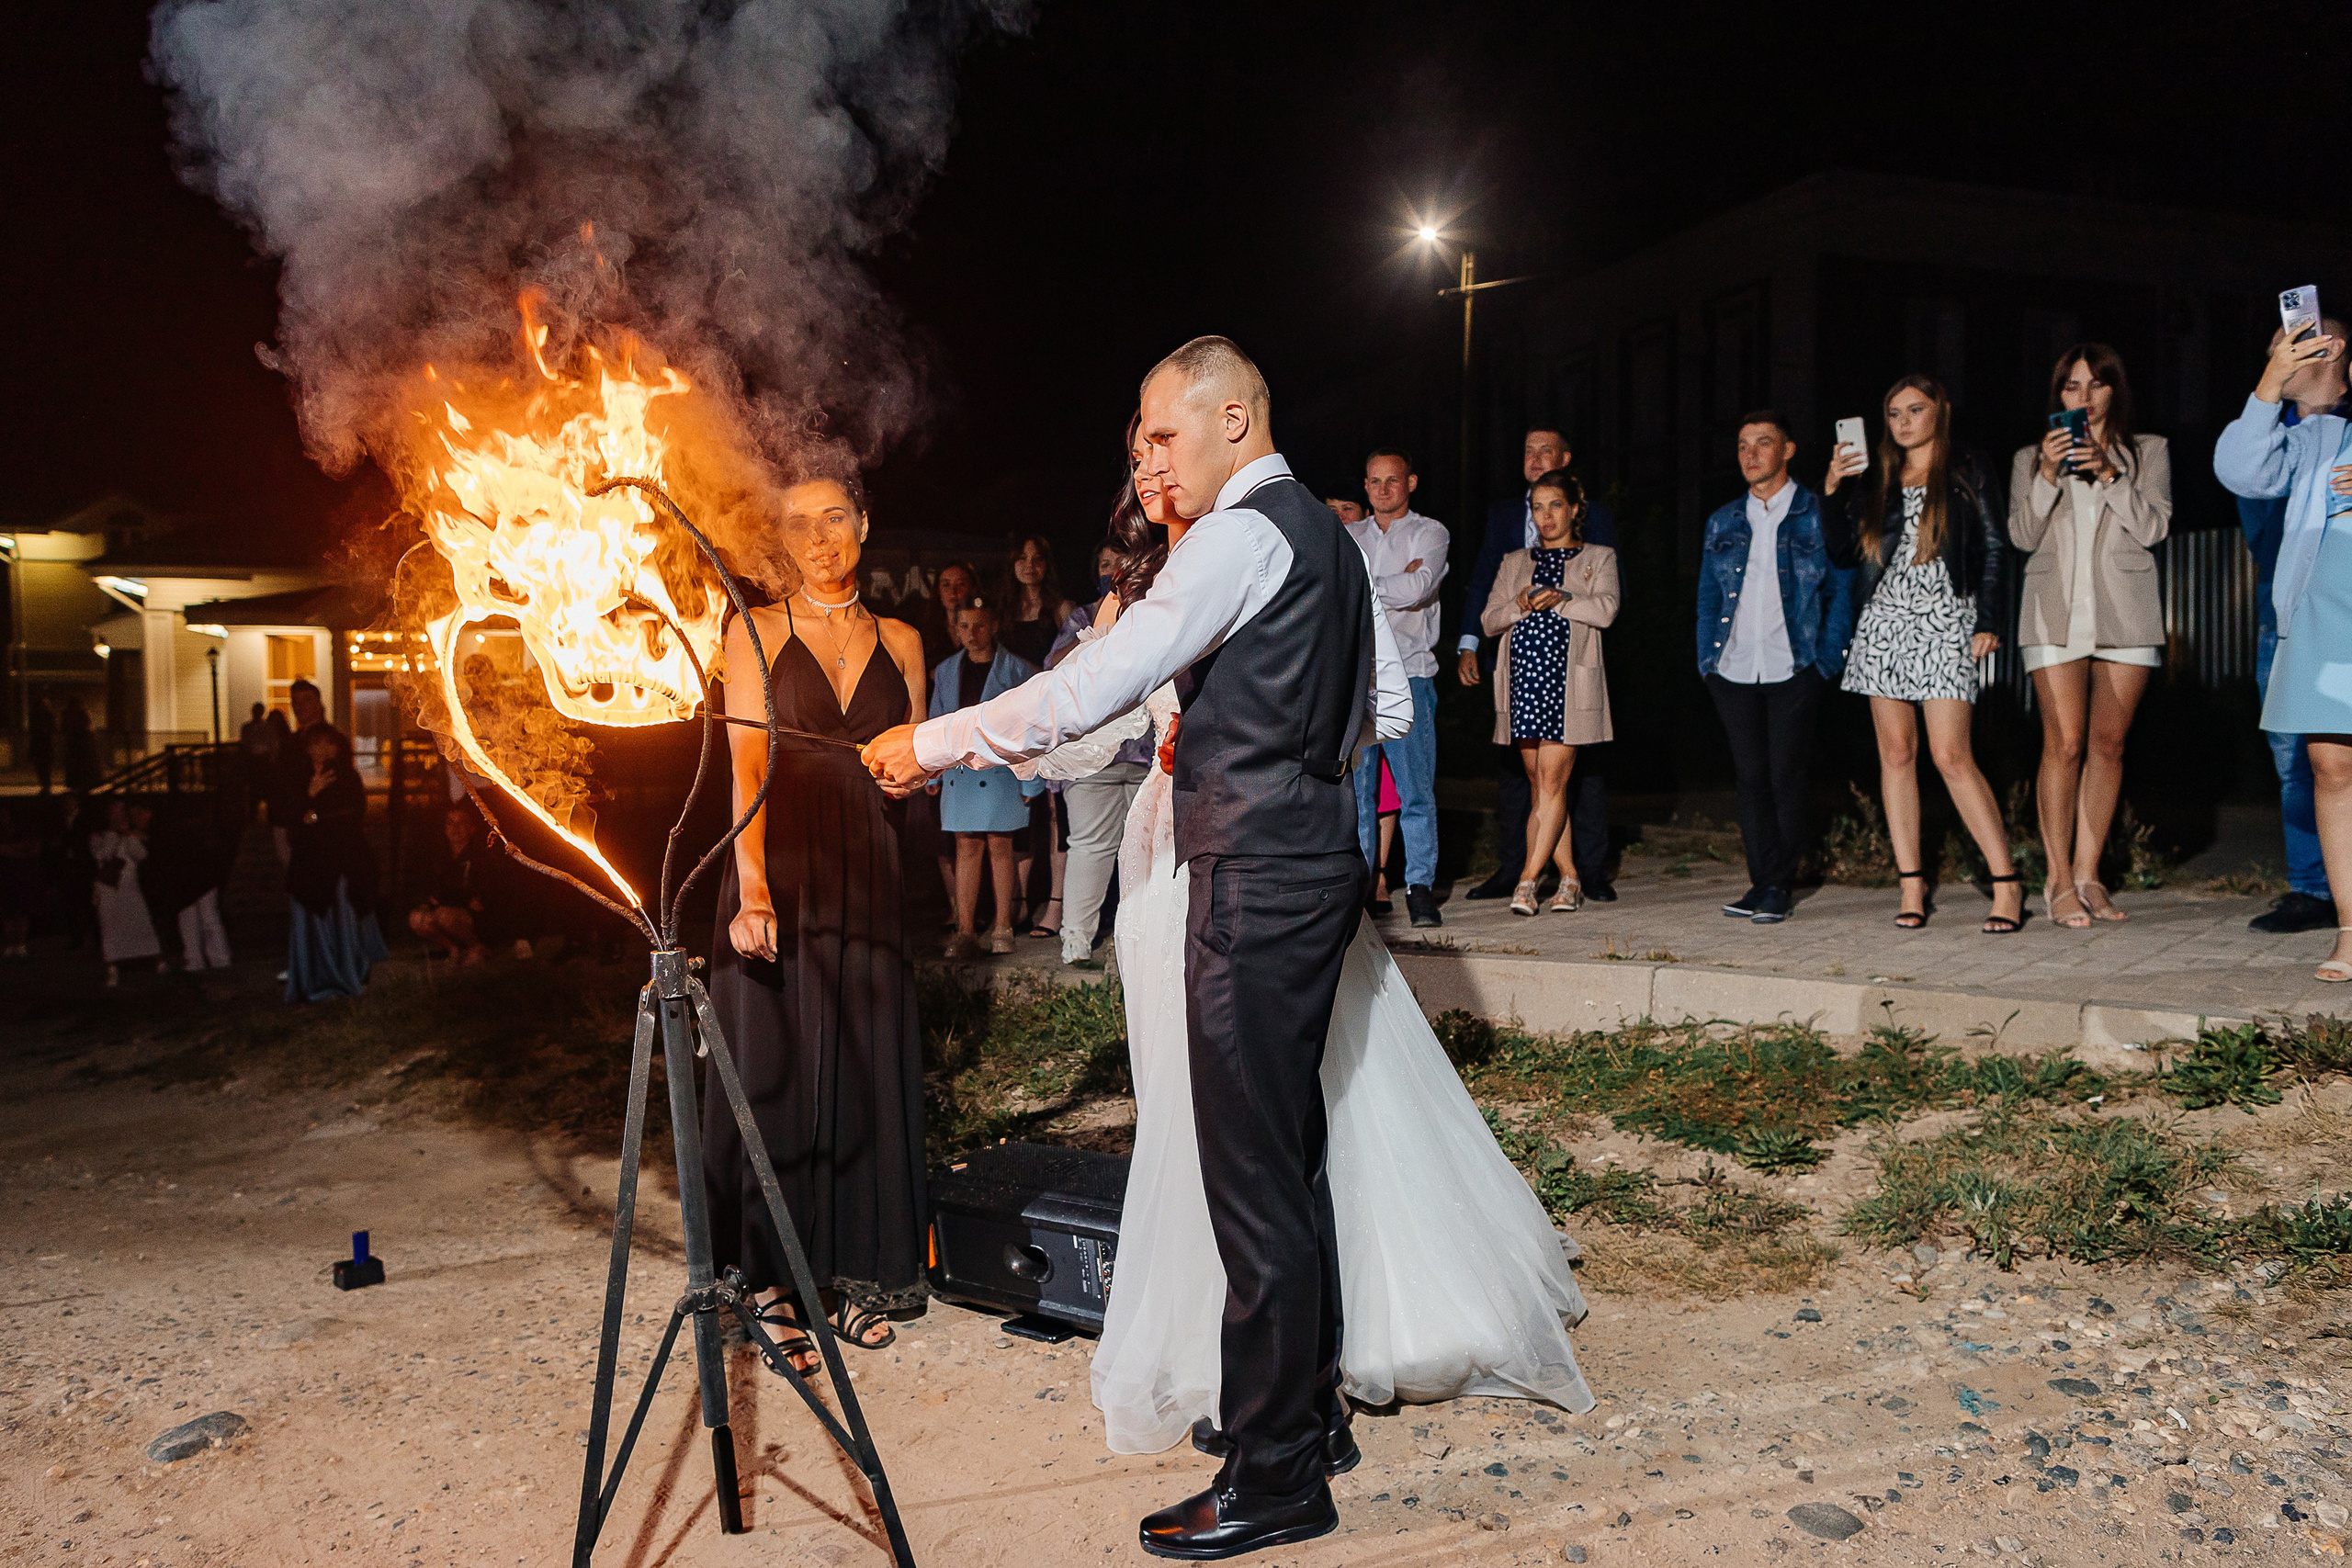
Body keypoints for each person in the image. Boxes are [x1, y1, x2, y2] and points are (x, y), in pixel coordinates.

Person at [872, 337, 1464, 1557]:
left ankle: (1275, 1476)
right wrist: (1298, 767)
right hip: (1302, 859)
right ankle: (1305, 1418)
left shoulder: (1243, 534)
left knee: (1250, 1178)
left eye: (1160, 431)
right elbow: (1381, 707)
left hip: (1255, 876)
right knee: (1287, 1160)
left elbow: (1103, 681)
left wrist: (932, 743)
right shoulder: (1319, 537)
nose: (1145, 454)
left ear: (1234, 415)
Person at [705, 470, 931, 1364]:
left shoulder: (906, 641)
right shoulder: (752, 632)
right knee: (781, 1076)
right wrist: (752, 888)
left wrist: (919, 771)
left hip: (868, 866)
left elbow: (918, 756)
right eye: (800, 526)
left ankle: (840, 1277)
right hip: (783, 864)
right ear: (781, 543)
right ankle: (769, 1284)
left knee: (861, 1068)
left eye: (835, 518)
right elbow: (746, 766)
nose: (820, 538)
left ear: (863, 527)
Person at [1826, 376, 2024, 933]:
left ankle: (2006, 884)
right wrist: (1836, 488)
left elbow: (1993, 545)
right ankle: (1911, 885)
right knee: (1895, 756)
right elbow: (1843, 554)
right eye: (1894, 413)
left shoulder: (1968, 467)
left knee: (1951, 756)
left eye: (1916, 409)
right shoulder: (1878, 476)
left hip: (1945, 617)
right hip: (1883, 620)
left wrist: (1989, 620)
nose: (1905, 421)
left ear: (1941, 410)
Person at [2008, 344, 2172, 928]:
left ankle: (2088, 873)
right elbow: (2023, 536)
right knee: (2064, 744)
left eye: (2095, 386)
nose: (2083, 397)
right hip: (2053, 613)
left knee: (2108, 745)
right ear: (2059, 396)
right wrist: (2048, 475)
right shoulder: (2031, 456)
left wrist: (2109, 471)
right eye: (2071, 387)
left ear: (2113, 392)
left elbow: (2153, 526)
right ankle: (2055, 879)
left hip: (2125, 613)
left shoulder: (2148, 451)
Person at [2216, 321, 2352, 981]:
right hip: (2318, 614)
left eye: (2316, 345)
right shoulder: (2309, 437)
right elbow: (2241, 469)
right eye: (2288, 345)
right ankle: (2338, 916)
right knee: (2321, 765)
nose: (2301, 353)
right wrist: (2272, 378)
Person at [1698, 412, 1857, 924]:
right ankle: (1761, 881)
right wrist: (1708, 661)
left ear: (1787, 450)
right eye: (1743, 444)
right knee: (1750, 779)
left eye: (1763, 443)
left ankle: (1779, 886)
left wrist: (1826, 662)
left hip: (1795, 665)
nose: (1750, 454)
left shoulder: (1816, 510)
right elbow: (1707, 596)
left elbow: (1841, 585)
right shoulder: (1723, 519)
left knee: (1786, 777)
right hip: (1734, 667)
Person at [1459, 427, 1620, 903]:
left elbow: (1607, 610)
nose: (1545, 516)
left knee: (1553, 781)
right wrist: (1522, 604)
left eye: (1554, 506)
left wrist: (1565, 598)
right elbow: (1489, 618)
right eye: (1537, 507)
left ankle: (1528, 881)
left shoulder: (1599, 556)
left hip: (1568, 684)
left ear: (1574, 508)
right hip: (1522, 682)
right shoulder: (1514, 560)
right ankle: (1568, 879)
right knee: (1541, 787)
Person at [1347, 448, 1450, 928]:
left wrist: (1369, 585)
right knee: (1360, 790)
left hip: (1411, 673)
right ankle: (1366, 886)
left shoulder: (1430, 532)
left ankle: (1421, 886)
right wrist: (1395, 581)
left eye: (1392, 480)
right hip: (1358, 677)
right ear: (1364, 486)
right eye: (1374, 481)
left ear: (1410, 482)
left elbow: (1420, 588)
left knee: (1415, 790)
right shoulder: (1349, 535)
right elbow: (1344, 591)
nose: (1383, 489)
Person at [1047, 534, 1152, 966]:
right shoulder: (1082, 616)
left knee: (1148, 850)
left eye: (1124, 564)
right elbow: (1056, 669)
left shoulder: (1158, 615)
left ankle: (1143, 944)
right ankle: (1076, 940)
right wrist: (1098, 635)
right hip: (1097, 758)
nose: (1116, 572)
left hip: (1151, 755)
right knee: (1090, 846)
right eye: (1109, 564)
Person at [929, 600, 1045, 956]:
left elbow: (1031, 726)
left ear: (994, 626)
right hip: (961, 772)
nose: (971, 634)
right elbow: (937, 719)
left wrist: (1030, 780)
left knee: (1000, 845)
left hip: (1001, 773)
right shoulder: (947, 670)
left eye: (979, 626)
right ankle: (964, 930)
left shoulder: (1016, 669)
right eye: (964, 626)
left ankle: (1002, 926)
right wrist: (931, 768)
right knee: (966, 846)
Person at [284, 724, 388, 1000]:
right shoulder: (299, 777)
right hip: (309, 864)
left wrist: (315, 816)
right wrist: (310, 795)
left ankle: (347, 972)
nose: (320, 751)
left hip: (341, 862)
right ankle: (312, 976)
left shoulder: (347, 776)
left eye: (327, 745)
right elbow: (292, 816)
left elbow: (351, 814)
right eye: (315, 745)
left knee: (342, 918)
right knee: (310, 919)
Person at [89, 797, 164, 987]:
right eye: (115, 813)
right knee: (111, 927)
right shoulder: (98, 836)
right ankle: (112, 968)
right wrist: (114, 836)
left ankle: (157, 960)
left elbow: (141, 855)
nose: (119, 817)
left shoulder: (132, 835)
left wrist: (129, 836)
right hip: (108, 889)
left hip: (130, 887)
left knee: (141, 921)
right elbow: (102, 856)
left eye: (122, 813)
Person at [408, 804, 496, 964]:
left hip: (475, 918)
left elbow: (479, 899)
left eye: (461, 823)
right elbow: (430, 887)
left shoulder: (480, 857)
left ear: (472, 829)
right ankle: (453, 949)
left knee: (444, 915)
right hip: (444, 908)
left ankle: (478, 946)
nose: (455, 828)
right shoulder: (439, 855)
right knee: (417, 918)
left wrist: (450, 897)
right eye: (450, 823)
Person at [1001, 534, 1075, 669]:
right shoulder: (1002, 610)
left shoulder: (1061, 609)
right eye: (1022, 558)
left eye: (1037, 559)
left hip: (1049, 686)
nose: (1030, 565)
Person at [61, 695, 98, 796]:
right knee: (81, 766)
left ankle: (78, 785)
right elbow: (88, 727)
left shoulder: (70, 714)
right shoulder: (82, 714)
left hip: (77, 744)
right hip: (80, 744)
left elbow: (64, 727)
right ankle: (82, 785)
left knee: (78, 766)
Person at [28, 695, 55, 795]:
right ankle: (45, 785)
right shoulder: (37, 715)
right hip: (40, 744)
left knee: (45, 766)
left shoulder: (47, 715)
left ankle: (46, 786)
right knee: (41, 767)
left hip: (44, 744)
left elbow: (53, 728)